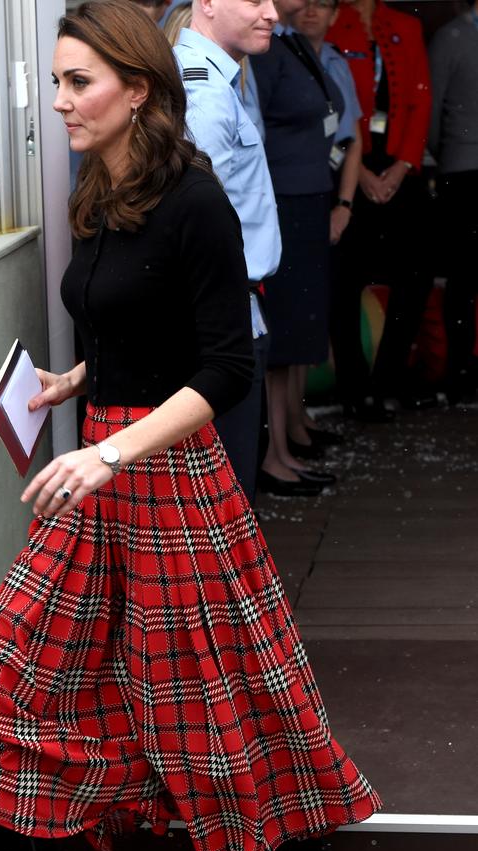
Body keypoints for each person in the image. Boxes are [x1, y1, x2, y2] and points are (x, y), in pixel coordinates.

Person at [0, 3, 381, 851]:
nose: (56, 101)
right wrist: (73, 381)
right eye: (54, 81)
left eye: (76, 83)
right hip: (103, 464)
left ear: (135, 90)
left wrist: (110, 451)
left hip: (166, 476)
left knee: (220, 696)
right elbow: (130, 324)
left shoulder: (194, 201)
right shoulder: (101, 185)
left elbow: (225, 366)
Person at [173, 0, 282, 504]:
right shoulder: (203, 95)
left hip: (228, 310)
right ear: (208, 3)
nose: (274, 12)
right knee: (226, 505)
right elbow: (188, 225)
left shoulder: (217, 80)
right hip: (219, 323)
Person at [250, 0, 344, 492]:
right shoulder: (266, 50)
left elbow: (332, 110)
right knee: (282, 331)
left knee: (297, 329)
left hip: (306, 196)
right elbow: (256, 126)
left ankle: (286, 444)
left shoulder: (288, 43)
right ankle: (273, 455)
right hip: (283, 199)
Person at [327, 0, 434, 416]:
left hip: (400, 168)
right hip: (352, 170)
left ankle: (389, 377)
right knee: (345, 280)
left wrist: (403, 164)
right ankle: (354, 387)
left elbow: (420, 100)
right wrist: (363, 176)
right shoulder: (335, 23)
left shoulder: (405, 26)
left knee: (415, 276)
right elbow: (337, 110)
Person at [291, 0, 364, 411]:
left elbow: (350, 140)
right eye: (306, 3)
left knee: (329, 298)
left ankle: (316, 409)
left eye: (323, 5)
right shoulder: (280, 57)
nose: (312, 12)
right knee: (299, 304)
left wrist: (344, 204)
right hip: (299, 190)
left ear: (337, 15)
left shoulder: (337, 62)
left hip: (331, 189)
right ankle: (296, 416)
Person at [428, 0, 478, 404]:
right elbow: (432, 107)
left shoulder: (452, 37)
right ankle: (460, 371)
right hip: (464, 170)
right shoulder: (452, 38)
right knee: (463, 275)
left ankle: (462, 371)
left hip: (460, 166)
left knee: (464, 276)